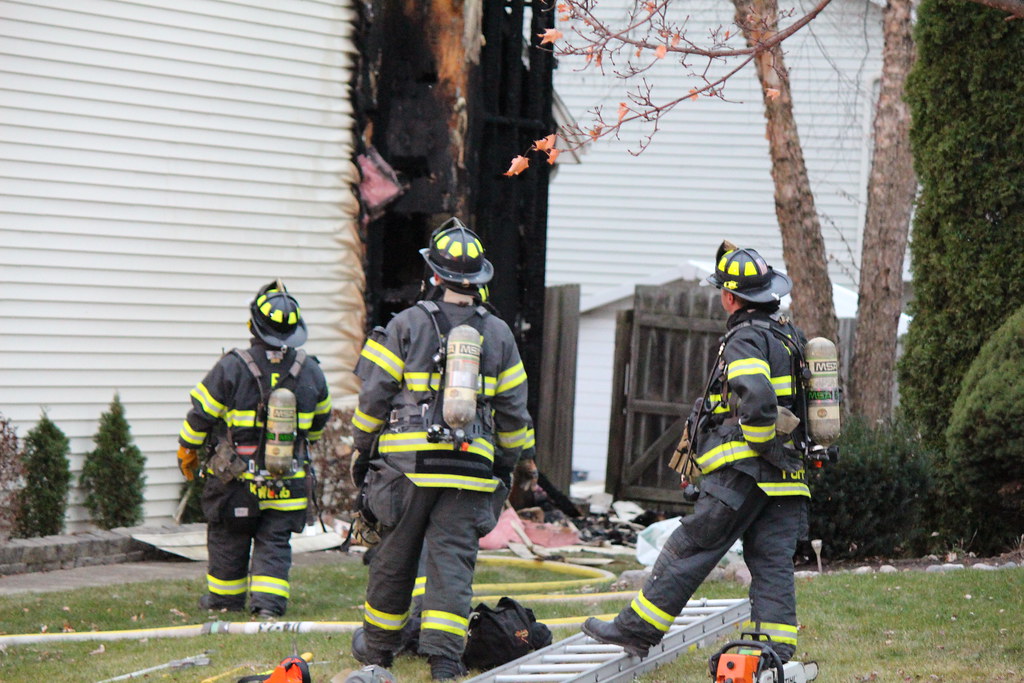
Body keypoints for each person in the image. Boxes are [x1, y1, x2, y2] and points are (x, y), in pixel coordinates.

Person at [582, 242, 810, 663]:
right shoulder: (789, 337)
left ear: (729, 297)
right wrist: (778, 455)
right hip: (788, 478)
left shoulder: (746, 338)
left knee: (689, 547)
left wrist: (761, 448)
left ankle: (635, 630)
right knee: (772, 562)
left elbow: (758, 400)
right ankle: (775, 650)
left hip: (744, 473)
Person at [349, 217, 532, 680]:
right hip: (469, 469)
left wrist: (363, 448)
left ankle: (377, 655)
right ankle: (445, 662)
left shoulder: (406, 324)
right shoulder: (500, 335)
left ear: (434, 274)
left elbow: (374, 396)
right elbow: (514, 412)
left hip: (407, 469)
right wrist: (507, 464)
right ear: (478, 281)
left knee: (394, 559)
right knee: (453, 563)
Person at [176, 280, 332, 618]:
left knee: (229, 538)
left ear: (253, 326)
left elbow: (200, 415)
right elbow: (319, 423)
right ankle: (268, 607)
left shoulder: (232, 366)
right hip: (288, 479)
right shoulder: (311, 371)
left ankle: (224, 601)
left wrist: (186, 448)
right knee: (275, 543)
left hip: (236, 483)